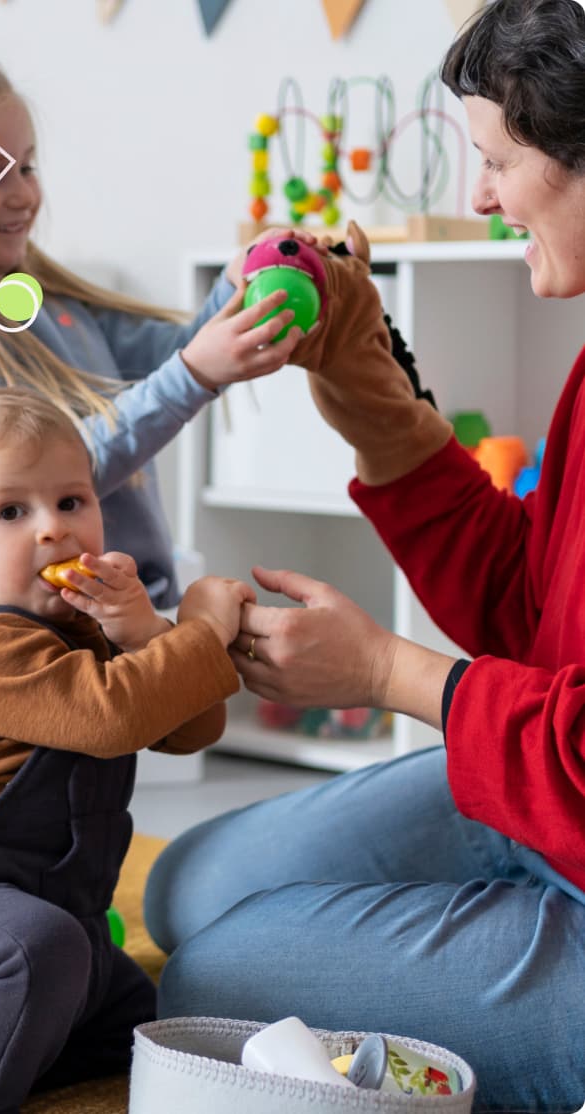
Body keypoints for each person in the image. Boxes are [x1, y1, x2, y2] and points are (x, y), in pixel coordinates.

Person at [143, 2, 585, 1110]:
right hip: (550, 807)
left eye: (494, 162)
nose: (477, 197)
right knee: (188, 888)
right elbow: (524, 604)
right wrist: (362, 381)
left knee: (209, 980)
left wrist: (381, 672)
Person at [0, 42, 310, 704]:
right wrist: (193, 374)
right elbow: (53, 468)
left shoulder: (40, 303)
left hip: (66, 620)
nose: (22, 193)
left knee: (70, 801)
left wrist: (242, 281)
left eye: (26, 166)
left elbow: (174, 351)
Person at [0, 385, 253, 1114]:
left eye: (72, 502)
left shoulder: (85, 636)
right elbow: (111, 715)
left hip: (51, 922)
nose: (53, 530)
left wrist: (145, 633)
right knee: (37, 953)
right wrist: (198, 635)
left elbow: (193, 728)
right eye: (12, 512)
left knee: (144, 1027)